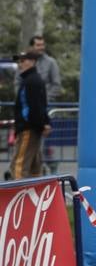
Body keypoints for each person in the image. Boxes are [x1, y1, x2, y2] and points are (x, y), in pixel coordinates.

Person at [10, 51, 50, 180]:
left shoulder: (30, 81)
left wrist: (41, 124)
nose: (20, 63)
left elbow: (35, 106)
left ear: (32, 61)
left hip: (28, 128)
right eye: (19, 61)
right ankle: (34, 197)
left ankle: (19, 198)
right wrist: (45, 123)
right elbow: (41, 104)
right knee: (34, 166)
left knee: (19, 166)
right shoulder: (33, 80)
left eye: (23, 60)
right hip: (34, 127)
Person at [29, 35, 61, 100]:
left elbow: (56, 85)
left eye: (42, 45)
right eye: (38, 45)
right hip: (27, 103)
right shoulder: (24, 61)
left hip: (46, 104)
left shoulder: (51, 62)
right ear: (32, 47)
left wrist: (44, 99)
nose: (41, 47)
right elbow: (18, 81)